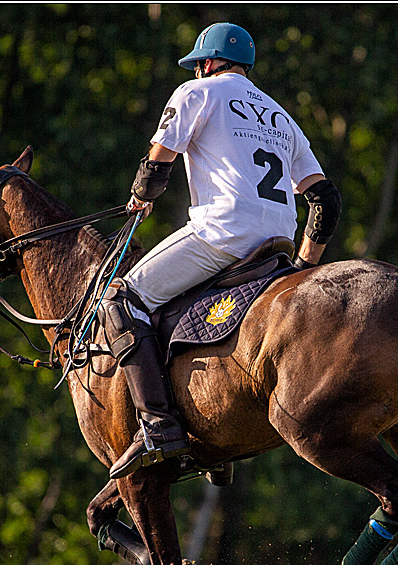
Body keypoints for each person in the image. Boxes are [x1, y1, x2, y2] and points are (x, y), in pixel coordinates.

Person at [98, 22, 342, 480]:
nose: (198, 71)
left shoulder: (198, 93)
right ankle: (212, 439)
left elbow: (158, 161)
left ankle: (157, 426)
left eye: (199, 65)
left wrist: (142, 196)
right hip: (278, 246)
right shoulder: (283, 117)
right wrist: (306, 266)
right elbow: (326, 200)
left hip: (222, 233)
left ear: (208, 63)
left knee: (120, 300)